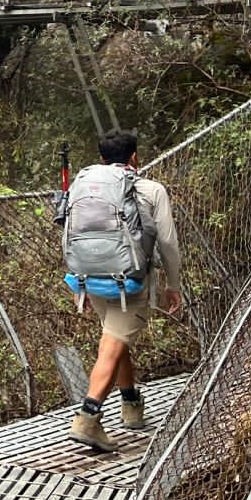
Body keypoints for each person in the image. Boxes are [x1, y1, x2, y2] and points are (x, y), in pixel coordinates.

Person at [64, 128, 184, 453]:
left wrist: (81, 282)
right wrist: (174, 285)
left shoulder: (86, 187)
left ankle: (131, 406)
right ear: (134, 157)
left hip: (92, 278)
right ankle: (88, 418)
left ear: (102, 158)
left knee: (116, 338)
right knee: (112, 344)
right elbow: (168, 243)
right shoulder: (150, 189)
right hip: (129, 282)